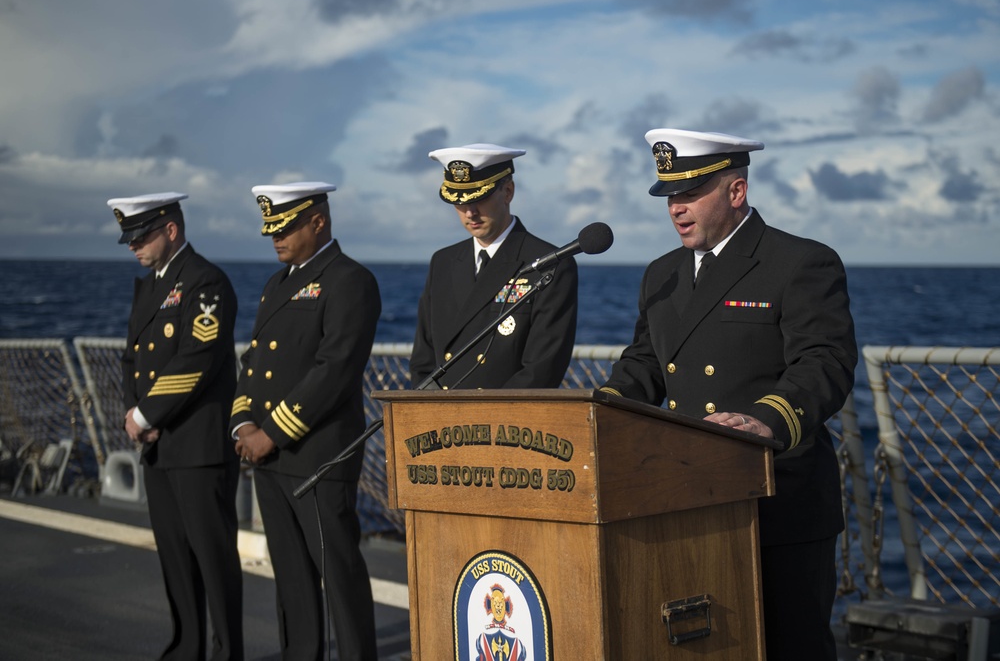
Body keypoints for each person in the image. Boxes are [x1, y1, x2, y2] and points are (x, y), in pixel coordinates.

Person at [599, 129, 857, 661]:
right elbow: (646, 361)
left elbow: (825, 362)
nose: (676, 208)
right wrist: (598, 408)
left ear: (736, 191)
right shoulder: (662, 275)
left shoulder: (799, 261)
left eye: (690, 194)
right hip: (687, 497)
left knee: (792, 647)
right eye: (670, 196)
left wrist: (769, 420)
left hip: (776, 496)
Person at [231, 182, 380, 661]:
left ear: (318, 221)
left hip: (317, 456)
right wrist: (243, 426)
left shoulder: (349, 280)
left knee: (338, 577)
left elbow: (334, 368)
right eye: (271, 229)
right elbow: (252, 363)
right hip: (272, 459)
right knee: (291, 580)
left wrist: (270, 433)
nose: (276, 238)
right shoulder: (278, 284)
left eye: (287, 227)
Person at [107, 192, 243, 661]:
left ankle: (227, 652)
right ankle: (186, 649)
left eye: (140, 236)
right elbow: (132, 360)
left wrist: (145, 416)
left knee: (213, 560)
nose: (132, 247)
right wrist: (134, 417)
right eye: (129, 238)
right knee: (176, 562)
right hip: (159, 448)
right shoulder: (148, 287)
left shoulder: (206, 283)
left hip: (198, 448)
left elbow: (196, 360)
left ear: (171, 230)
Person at [410, 143, 578, 390]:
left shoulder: (548, 264)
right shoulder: (443, 262)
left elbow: (542, 369)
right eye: (458, 201)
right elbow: (423, 360)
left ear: (508, 191)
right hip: (442, 419)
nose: (470, 212)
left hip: (508, 423)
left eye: (479, 197)